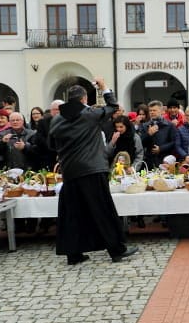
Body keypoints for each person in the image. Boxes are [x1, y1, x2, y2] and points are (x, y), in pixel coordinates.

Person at [49, 80, 137, 265]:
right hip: (92, 169)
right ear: (84, 98)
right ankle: (117, 250)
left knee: (72, 213)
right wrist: (104, 88)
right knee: (103, 210)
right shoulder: (89, 114)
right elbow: (114, 107)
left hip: (70, 171)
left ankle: (73, 254)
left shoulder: (56, 119)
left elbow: (51, 145)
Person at [140, 100, 177, 169]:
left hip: (165, 160)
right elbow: (141, 143)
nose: (152, 112)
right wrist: (148, 134)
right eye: (150, 110)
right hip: (149, 162)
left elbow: (174, 142)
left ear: (162, 111)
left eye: (154, 110)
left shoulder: (170, 125)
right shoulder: (144, 126)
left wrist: (161, 148)